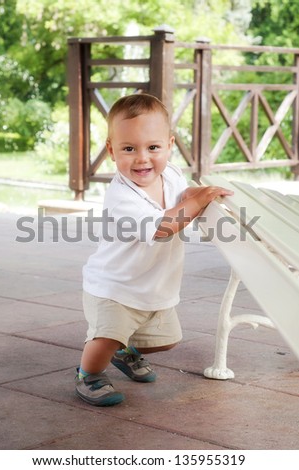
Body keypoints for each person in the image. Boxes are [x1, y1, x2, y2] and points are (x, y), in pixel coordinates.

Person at [75, 93, 233, 406]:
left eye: (153, 147)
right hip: (113, 287)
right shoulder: (122, 197)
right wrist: (197, 202)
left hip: (150, 285)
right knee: (105, 337)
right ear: (111, 150)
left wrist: (196, 192)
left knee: (168, 341)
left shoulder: (170, 173)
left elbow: (181, 192)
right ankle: (88, 375)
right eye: (129, 148)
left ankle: (122, 351)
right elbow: (163, 226)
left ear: (169, 144)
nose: (142, 158)